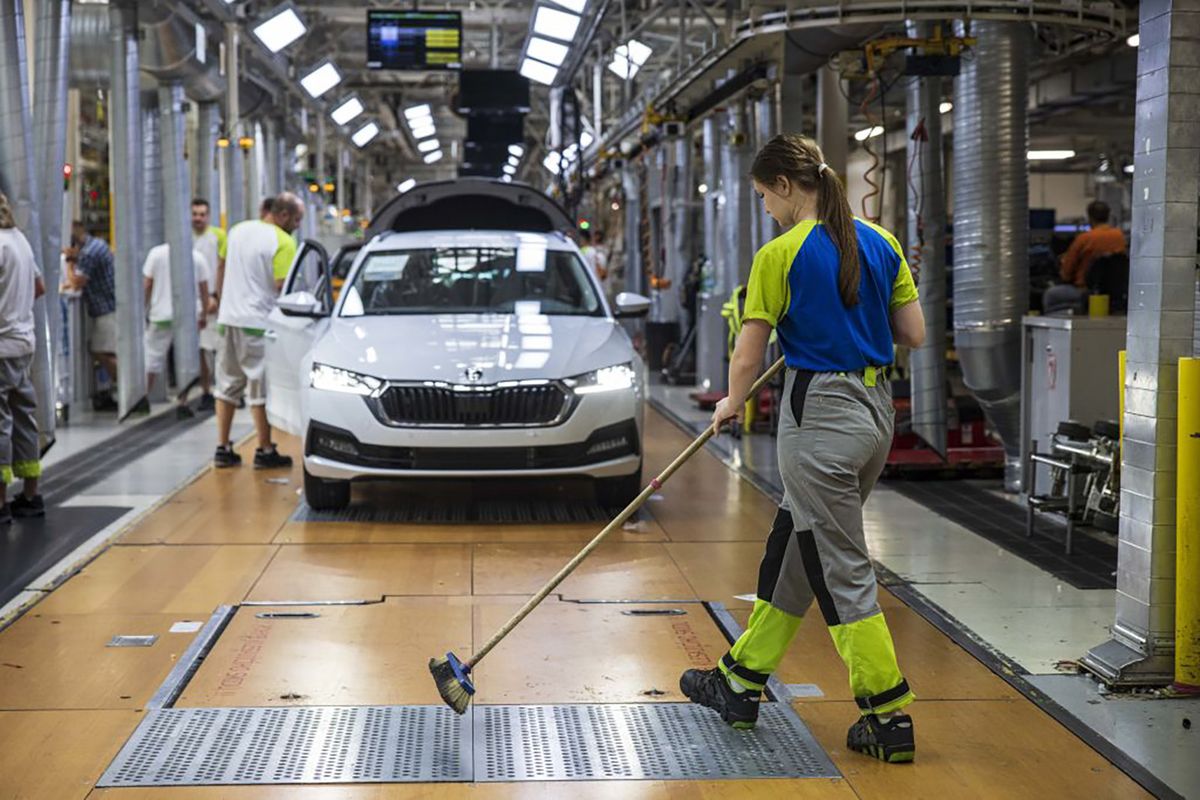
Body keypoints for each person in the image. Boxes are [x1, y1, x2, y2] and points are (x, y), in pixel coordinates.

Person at [678, 135, 926, 764]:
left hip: (818, 419)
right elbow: (913, 334)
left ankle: (887, 711)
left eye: (764, 195)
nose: (765, 208)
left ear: (786, 187)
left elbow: (747, 351)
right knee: (797, 540)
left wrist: (731, 402)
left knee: (839, 563)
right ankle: (740, 681)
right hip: (874, 415)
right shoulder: (881, 241)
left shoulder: (780, 254)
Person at [212, 192, 303, 469]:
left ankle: (223, 448)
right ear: (283, 215)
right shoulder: (283, 241)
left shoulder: (237, 230)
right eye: (297, 219)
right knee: (259, 388)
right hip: (258, 323)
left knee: (227, 385)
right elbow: (281, 285)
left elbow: (221, 267)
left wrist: (221, 301)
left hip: (228, 319)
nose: (298, 225)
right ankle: (264, 450)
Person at [0, 192, 46, 523]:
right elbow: (40, 287)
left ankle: (0, 501)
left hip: (1, 345)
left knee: (0, 423)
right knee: (24, 418)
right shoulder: (19, 240)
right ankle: (30, 495)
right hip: (24, 343)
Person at [142, 242, 211, 418]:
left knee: (152, 359)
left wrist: (144, 309)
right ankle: (183, 401)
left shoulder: (155, 254)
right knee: (187, 359)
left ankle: (141, 399)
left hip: (161, 315)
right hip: (189, 317)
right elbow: (204, 289)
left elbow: (147, 284)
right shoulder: (197, 257)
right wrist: (203, 313)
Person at [63, 220, 118, 411]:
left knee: (101, 351)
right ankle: (117, 388)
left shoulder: (89, 253)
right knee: (105, 350)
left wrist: (70, 262)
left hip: (106, 309)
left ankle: (124, 385)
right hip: (110, 306)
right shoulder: (97, 245)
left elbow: (76, 282)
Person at [191, 199, 227, 410]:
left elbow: (224, 267)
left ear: (209, 215)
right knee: (201, 350)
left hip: (214, 301)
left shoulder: (218, 237)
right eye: (195, 213)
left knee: (220, 349)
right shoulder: (184, 237)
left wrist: (217, 298)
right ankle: (206, 391)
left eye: (202, 214)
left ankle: (225, 390)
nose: (198, 218)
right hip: (193, 302)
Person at [1059, 200, 1126, 288]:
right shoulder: (1120, 236)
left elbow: (1066, 273)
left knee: (1050, 295)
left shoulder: (1084, 238)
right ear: (1108, 216)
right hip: (1114, 290)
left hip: (1086, 289)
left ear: (1090, 217)